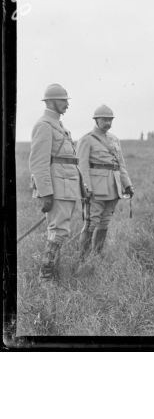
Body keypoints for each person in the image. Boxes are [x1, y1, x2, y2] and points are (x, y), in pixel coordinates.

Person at [29, 84, 82, 280]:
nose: (67, 104)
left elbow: (70, 161)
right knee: (58, 231)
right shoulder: (44, 125)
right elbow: (38, 162)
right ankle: (45, 277)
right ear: (51, 101)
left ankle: (53, 273)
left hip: (66, 186)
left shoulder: (60, 126)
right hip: (57, 188)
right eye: (63, 100)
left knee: (60, 230)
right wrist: (46, 193)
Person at [77, 105, 134, 260]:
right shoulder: (86, 139)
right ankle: (83, 259)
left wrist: (127, 184)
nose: (108, 122)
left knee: (105, 224)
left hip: (114, 188)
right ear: (96, 120)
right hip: (96, 189)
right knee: (91, 224)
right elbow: (82, 166)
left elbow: (120, 164)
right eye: (104, 119)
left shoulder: (114, 139)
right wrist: (86, 187)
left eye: (110, 119)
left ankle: (97, 256)